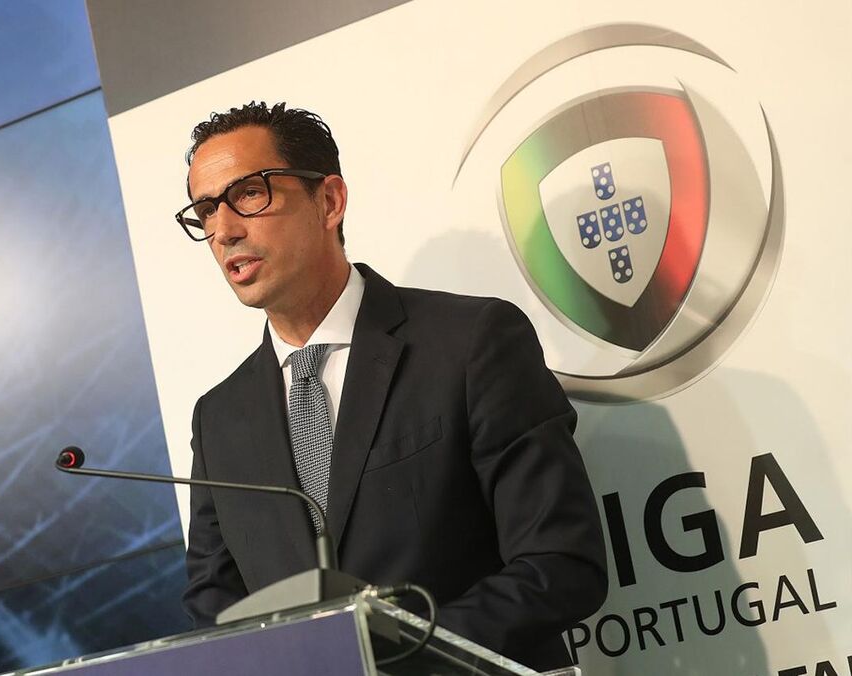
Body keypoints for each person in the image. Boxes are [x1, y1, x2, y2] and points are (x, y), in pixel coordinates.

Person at [177, 101, 607, 671]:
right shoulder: (218, 419)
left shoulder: (470, 343)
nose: (224, 231)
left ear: (329, 201)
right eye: (206, 210)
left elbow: (561, 562)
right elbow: (216, 616)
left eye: (250, 194)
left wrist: (384, 655)